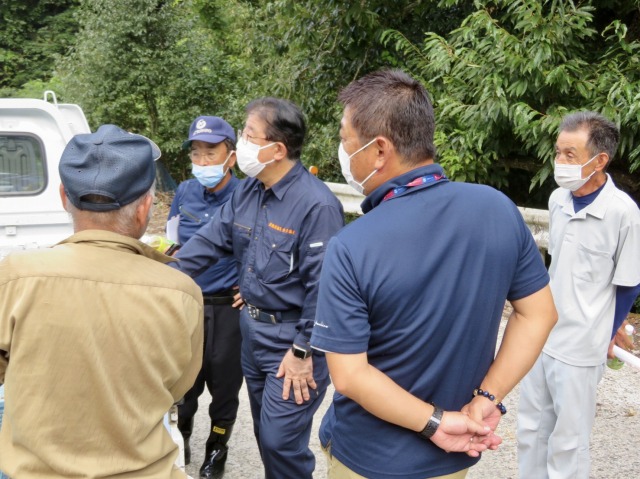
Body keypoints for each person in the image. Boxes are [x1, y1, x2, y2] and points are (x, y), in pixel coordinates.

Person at [309, 69, 558, 479]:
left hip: (370, 459)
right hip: (453, 460)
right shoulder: (497, 208)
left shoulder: (353, 245)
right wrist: (487, 398)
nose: (343, 150)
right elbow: (540, 314)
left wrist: (436, 423)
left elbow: (350, 376)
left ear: (379, 150)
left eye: (345, 139)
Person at [0, 124, 204, 478]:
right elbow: (176, 387)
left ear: (63, 197)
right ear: (144, 208)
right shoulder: (181, 292)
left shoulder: (14, 277)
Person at [171, 97, 344, 479]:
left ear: (277, 150)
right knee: (265, 435)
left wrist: (303, 351)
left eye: (249, 135)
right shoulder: (249, 191)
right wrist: (159, 274)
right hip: (252, 334)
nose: (242, 143)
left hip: (292, 342)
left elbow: (324, 287)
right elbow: (209, 242)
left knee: (281, 442)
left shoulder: (316, 205)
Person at [517, 111, 640, 479]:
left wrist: (610, 331)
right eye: (558, 152)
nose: (560, 161)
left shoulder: (623, 213)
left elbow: (629, 282)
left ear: (599, 160)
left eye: (570, 154)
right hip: (542, 334)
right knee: (531, 429)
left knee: (568, 441)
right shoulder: (558, 199)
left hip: (582, 344)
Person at [168, 116, 244, 479]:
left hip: (229, 309)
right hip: (188, 306)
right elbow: (171, 241)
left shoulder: (247, 194)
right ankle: (182, 438)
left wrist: (252, 282)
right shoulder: (184, 192)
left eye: (210, 153)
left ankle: (217, 448)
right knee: (185, 384)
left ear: (231, 156)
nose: (202, 161)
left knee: (225, 388)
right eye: (196, 153)